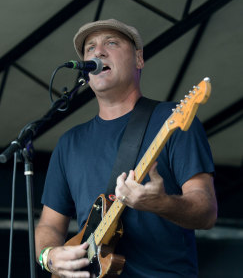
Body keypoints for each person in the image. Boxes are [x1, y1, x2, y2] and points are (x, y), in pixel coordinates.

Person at [35, 19, 217, 278]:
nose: (97, 52)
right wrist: (49, 256)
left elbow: (207, 212)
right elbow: (49, 225)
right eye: (90, 48)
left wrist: (161, 203)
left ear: (139, 59)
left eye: (111, 42)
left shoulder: (172, 118)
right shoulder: (69, 143)